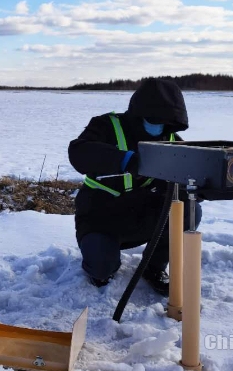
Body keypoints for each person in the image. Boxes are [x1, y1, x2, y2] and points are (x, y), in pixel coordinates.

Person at [68, 78, 202, 295]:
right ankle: (101, 265)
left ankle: (154, 267)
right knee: (101, 268)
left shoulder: (171, 139)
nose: (158, 126)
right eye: (153, 119)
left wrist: (198, 187)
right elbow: (78, 152)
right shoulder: (106, 126)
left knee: (189, 208)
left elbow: (189, 177)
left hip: (143, 216)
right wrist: (126, 161)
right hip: (100, 217)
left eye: (165, 122)